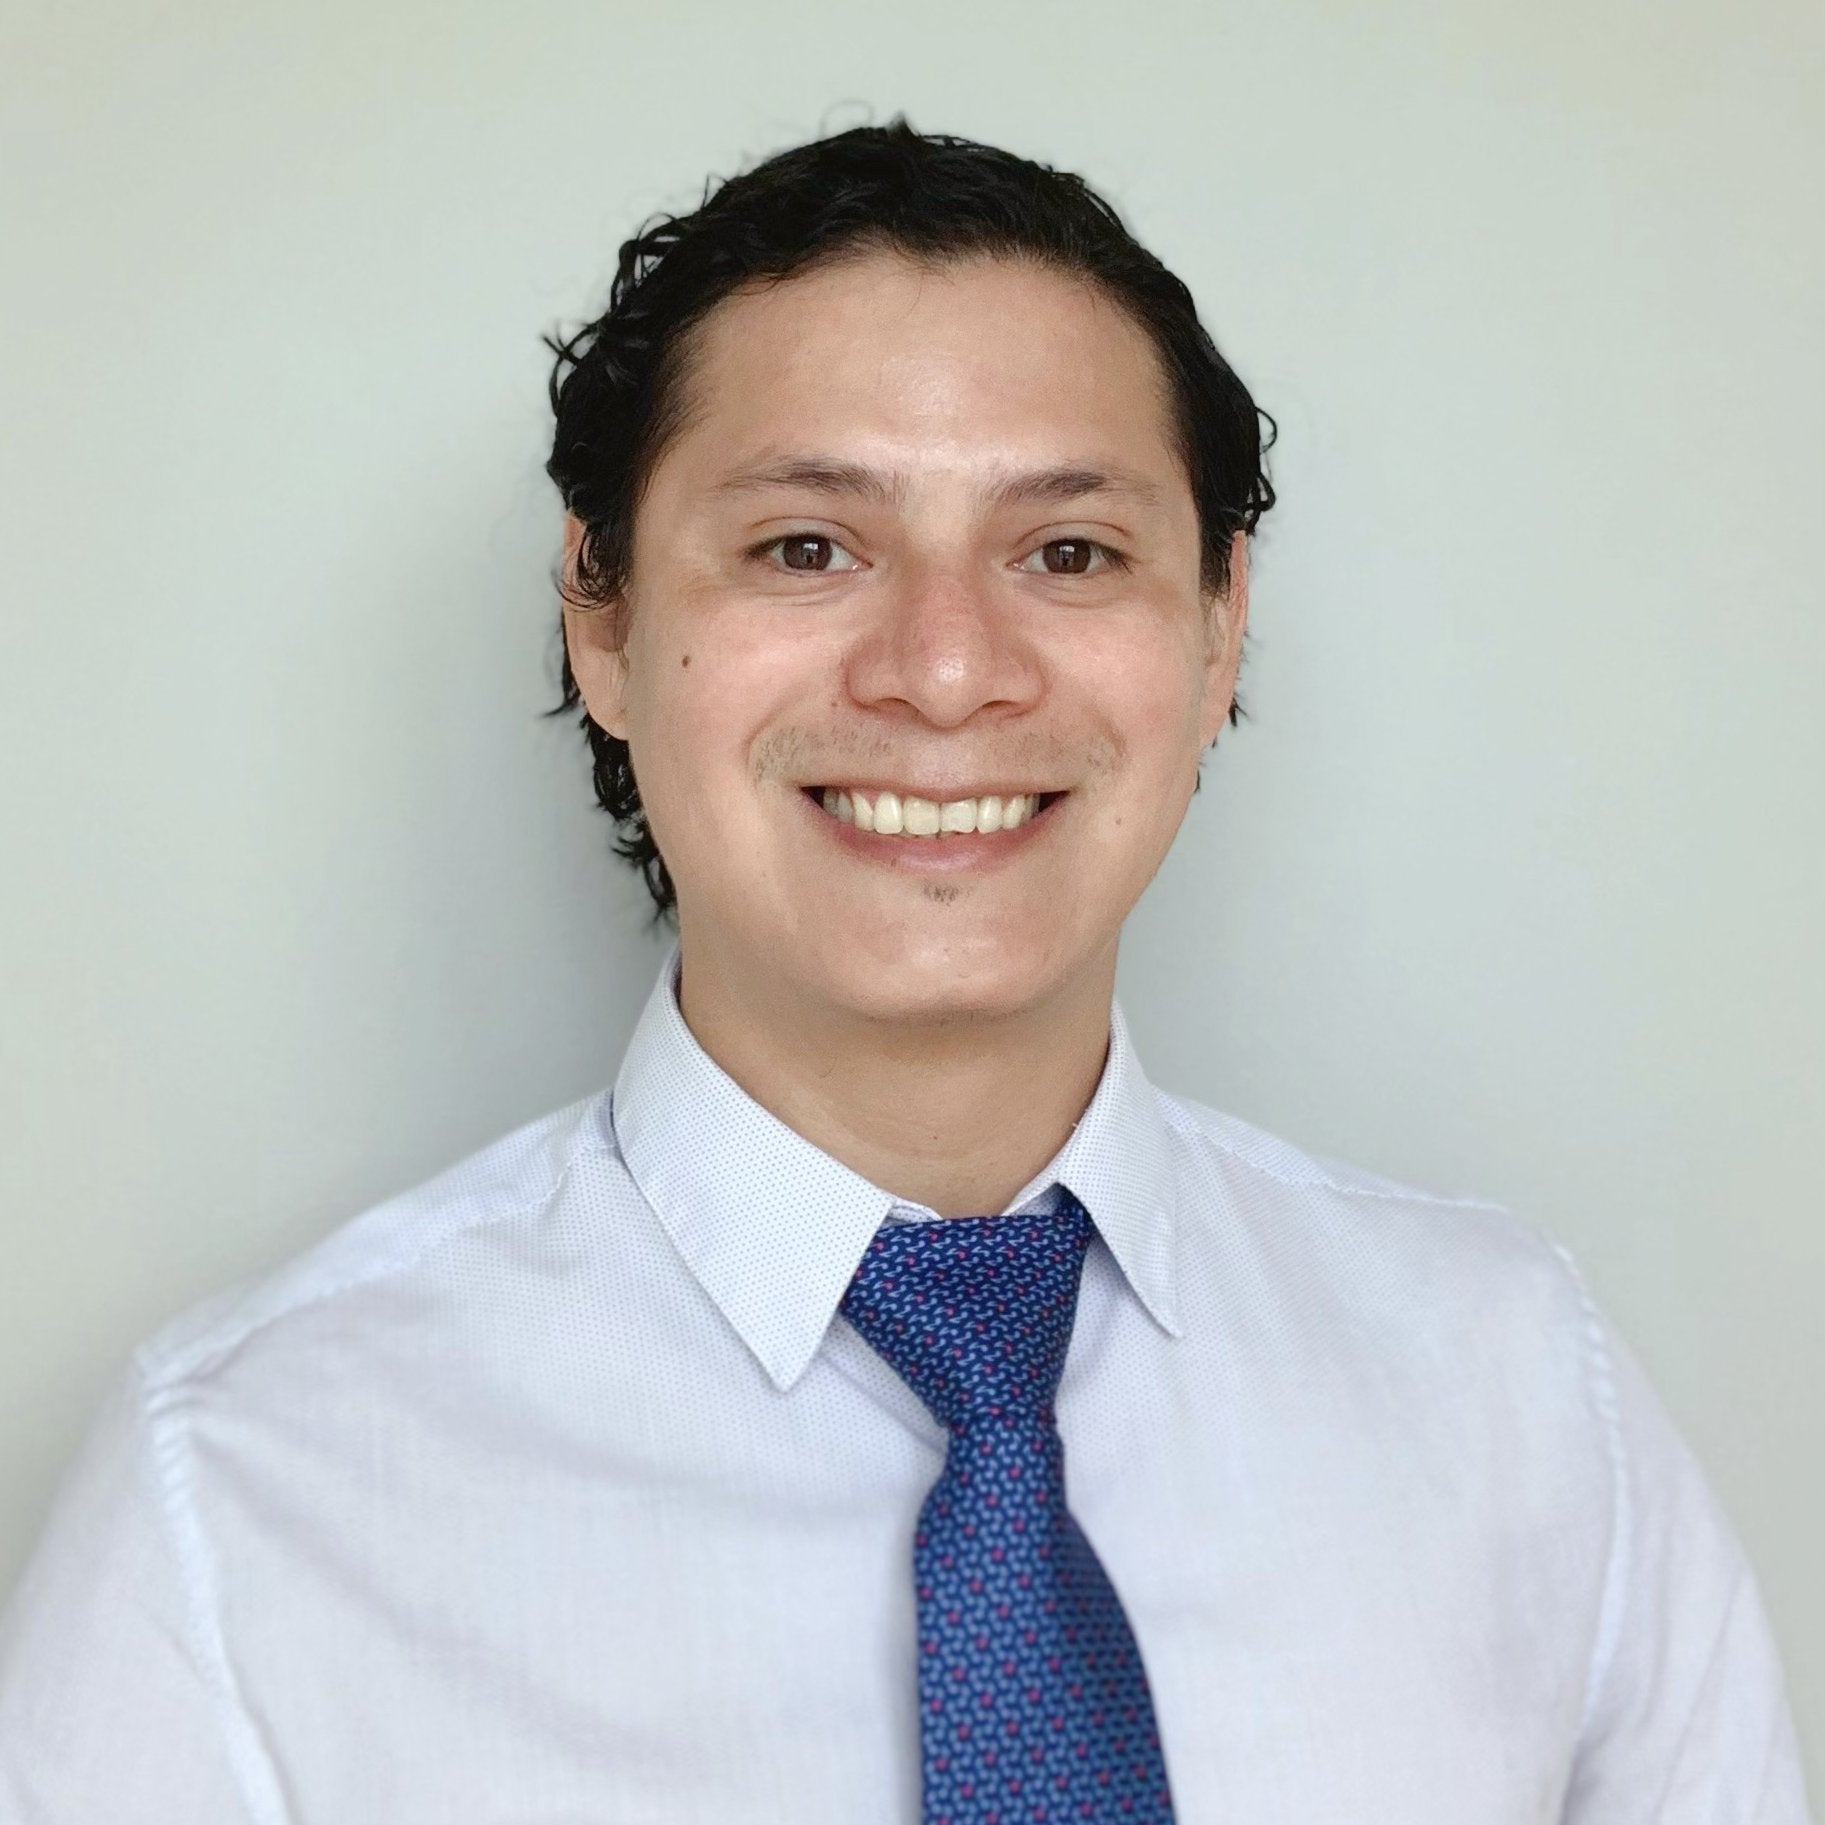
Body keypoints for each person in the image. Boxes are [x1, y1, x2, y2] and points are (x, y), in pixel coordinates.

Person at [0, 119, 1809, 1824]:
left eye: (1068, 550)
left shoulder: (1517, 1393)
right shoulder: (239, 1497)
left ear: (1217, 625)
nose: (945, 670)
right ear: (603, 618)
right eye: (806, 545)